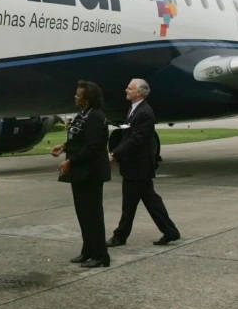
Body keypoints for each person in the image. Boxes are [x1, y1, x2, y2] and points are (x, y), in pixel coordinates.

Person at [107, 78, 181, 247]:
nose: (126, 90)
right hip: (136, 166)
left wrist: (115, 154)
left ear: (139, 93)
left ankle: (120, 236)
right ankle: (170, 232)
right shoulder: (135, 110)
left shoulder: (144, 113)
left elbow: (136, 139)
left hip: (138, 167)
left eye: (129, 88)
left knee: (130, 204)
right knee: (150, 201)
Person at [51, 80, 111, 268]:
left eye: (78, 95)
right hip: (80, 174)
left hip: (90, 173)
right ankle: (88, 250)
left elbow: (93, 147)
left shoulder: (95, 117)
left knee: (92, 215)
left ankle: (101, 256)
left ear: (87, 99)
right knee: (83, 214)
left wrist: (71, 161)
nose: (75, 97)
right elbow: (78, 138)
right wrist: (64, 147)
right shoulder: (83, 115)